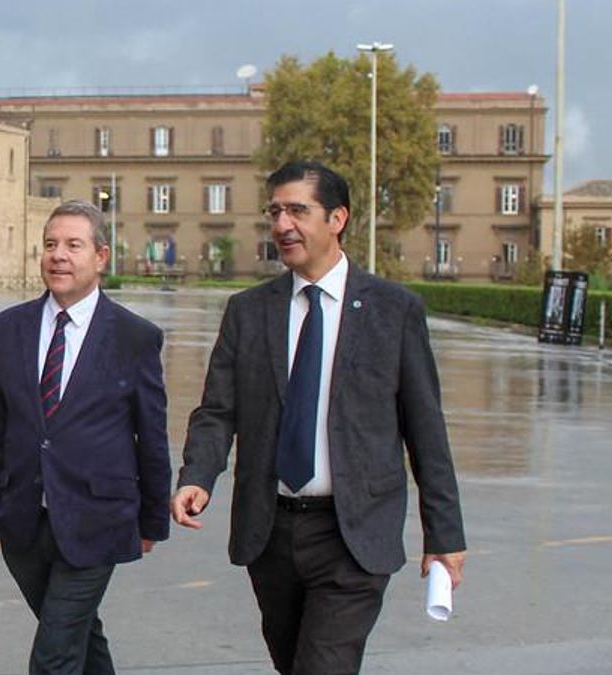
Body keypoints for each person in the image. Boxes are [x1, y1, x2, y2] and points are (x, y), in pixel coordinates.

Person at [171, 160, 466, 674]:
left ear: (337, 218)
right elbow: (218, 410)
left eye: (297, 211)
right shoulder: (249, 311)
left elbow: (425, 429)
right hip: (271, 533)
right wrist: (197, 476)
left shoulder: (393, 312)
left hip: (353, 535)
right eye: (275, 212)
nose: (283, 225)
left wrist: (444, 535)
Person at [0, 200, 171, 675]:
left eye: (73, 245)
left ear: (100, 257)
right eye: (50, 245)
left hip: (97, 518)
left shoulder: (134, 336)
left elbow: (153, 436)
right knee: (78, 634)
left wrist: (150, 521)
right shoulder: (9, 326)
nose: (58, 255)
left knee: (54, 655)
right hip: (21, 518)